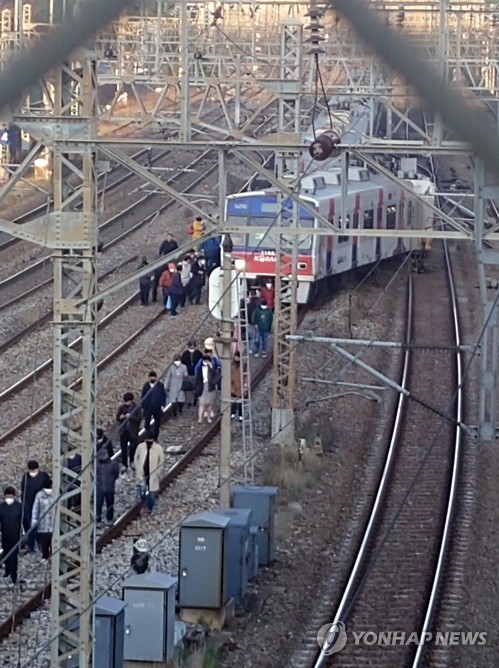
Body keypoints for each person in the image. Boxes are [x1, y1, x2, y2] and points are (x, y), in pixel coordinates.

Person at [20, 460, 50, 553]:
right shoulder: (25, 477)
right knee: (30, 525)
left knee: (41, 524)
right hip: (28, 503)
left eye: (34, 469)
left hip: (41, 503)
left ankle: (41, 544)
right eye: (31, 469)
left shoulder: (44, 476)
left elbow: (48, 488)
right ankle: (31, 545)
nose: (32, 471)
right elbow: (23, 490)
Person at [134, 432, 165, 515]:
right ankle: (144, 505)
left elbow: (161, 461)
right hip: (142, 473)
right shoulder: (140, 447)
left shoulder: (158, 448)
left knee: (152, 493)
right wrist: (137, 468)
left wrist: (158, 472)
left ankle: (149, 508)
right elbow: (136, 457)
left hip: (153, 474)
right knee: (142, 491)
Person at [0, 486, 23, 583]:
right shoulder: (1, 506)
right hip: (4, 534)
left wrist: (27, 531)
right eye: (7, 496)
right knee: (6, 552)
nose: (9, 498)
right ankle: (7, 571)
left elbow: (24, 520)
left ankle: (14, 574)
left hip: (15, 535)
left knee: (13, 555)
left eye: (11, 496)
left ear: (14, 496)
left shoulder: (19, 506)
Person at [116, 392, 143, 472]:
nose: (126, 403)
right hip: (123, 431)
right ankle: (124, 464)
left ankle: (132, 461)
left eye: (128, 401)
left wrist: (130, 417)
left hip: (133, 431)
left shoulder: (137, 408)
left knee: (132, 447)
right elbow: (117, 418)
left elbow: (139, 419)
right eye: (125, 402)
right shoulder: (122, 407)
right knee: (123, 449)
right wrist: (121, 417)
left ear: (131, 401)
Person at [31, 479, 54, 562]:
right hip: (49, 523)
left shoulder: (39, 495)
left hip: (45, 523)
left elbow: (35, 508)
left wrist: (34, 520)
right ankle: (48, 556)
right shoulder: (55, 494)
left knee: (46, 541)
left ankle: (47, 556)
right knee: (48, 541)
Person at [194, 355, 221, 424]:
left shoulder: (213, 368)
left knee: (210, 403)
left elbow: (217, 375)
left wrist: (212, 367)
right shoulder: (200, 368)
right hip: (202, 386)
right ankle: (200, 418)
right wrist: (196, 388)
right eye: (204, 361)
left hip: (210, 387)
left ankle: (208, 417)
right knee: (201, 403)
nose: (205, 362)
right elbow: (197, 378)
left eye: (207, 361)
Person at [96, 448, 120, 526]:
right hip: (100, 487)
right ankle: (98, 519)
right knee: (98, 504)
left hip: (109, 487)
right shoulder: (97, 465)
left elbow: (116, 474)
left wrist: (111, 481)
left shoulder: (113, 464)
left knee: (110, 504)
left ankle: (109, 518)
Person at [140, 371, 166, 441]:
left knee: (157, 423)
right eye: (151, 377)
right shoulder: (146, 386)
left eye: (153, 377)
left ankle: (155, 437)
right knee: (146, 423)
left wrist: (162, 405)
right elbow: (143, 396)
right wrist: (142, 406)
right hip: (147, 407)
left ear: (155, 377)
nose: (152, 378)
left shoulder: (160, 385)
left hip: (157, 407)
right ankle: (147, 436)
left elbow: (163, 395)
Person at [230, 351, 248, 421]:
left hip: (240, 385)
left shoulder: (243, 365)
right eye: (236, 357)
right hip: (233, 385)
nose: (237, 358)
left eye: (238, 357)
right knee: (233, 401)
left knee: (240, 401)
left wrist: (245, 383)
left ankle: (241, 415)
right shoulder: (232, 365)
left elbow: (245, 375)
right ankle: (233, 413)